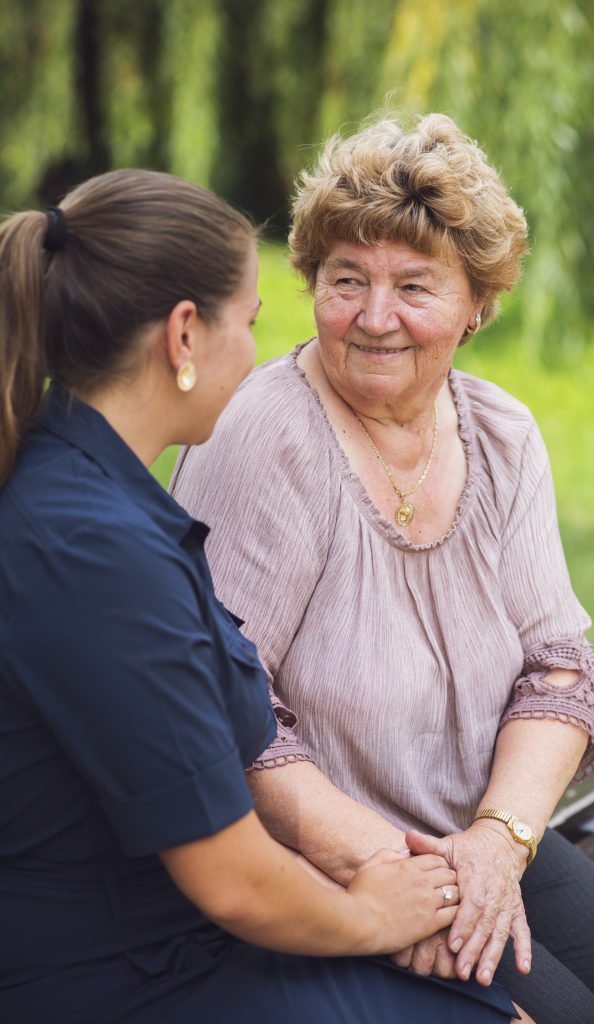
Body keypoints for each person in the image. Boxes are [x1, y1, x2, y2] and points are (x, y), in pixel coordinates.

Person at [171, 114, 594, 1024]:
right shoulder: (268, 435)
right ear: (312, 284)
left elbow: (556, 669)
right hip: (317, 858)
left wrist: (496, 841)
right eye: (345, 281)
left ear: (477, 302)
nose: (374, 317)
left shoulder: (501, 436)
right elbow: (225, 711)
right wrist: (393, 872)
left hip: (472, 826)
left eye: (413, 285)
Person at [0, 169, 525, 1023]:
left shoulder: (93, 493)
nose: (256, 352)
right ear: (183, 336)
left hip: (176, 936)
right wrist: (372, 912)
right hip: (121, 971)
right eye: (247, 323)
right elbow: (233, 880)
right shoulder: (90, 548)